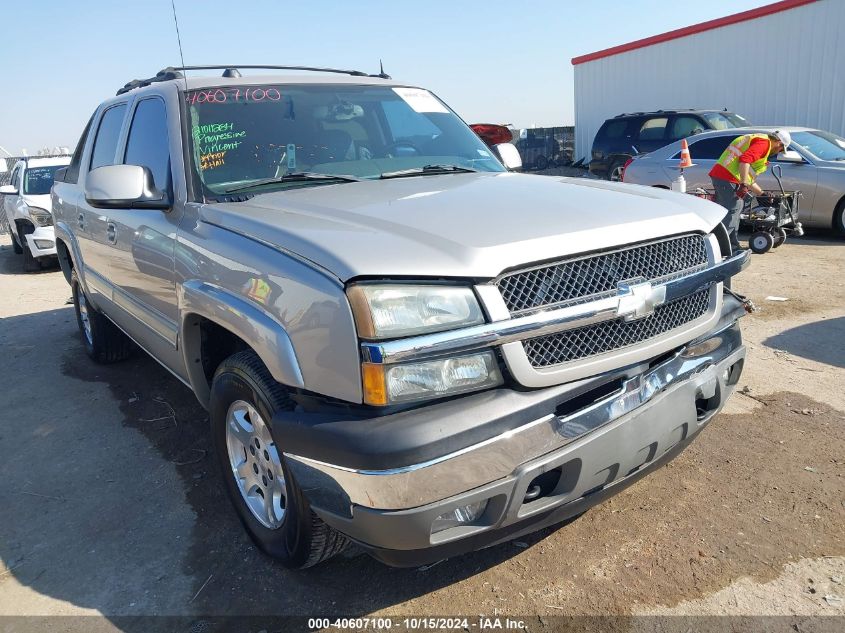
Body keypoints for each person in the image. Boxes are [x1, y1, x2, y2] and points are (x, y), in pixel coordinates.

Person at [709, 129, 791, 253]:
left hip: (726, 176)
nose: (778, 151)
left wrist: (762, 193)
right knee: (732, 211)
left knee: (735, 210)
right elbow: (745, 160)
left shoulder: (759, 140)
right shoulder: (764, 143)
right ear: (779, 143)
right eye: (781, 149)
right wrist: (744, 184)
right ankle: (719, 248)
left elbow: (748, 175)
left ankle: (732, 247)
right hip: (727, 177)